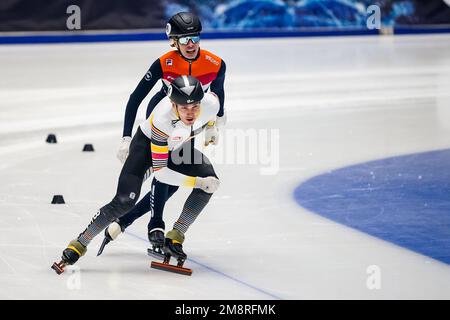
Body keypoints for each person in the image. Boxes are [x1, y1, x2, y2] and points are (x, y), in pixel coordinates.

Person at [52, 75, 222, 274]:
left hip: (178, 147)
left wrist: (211, 127)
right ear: (173, 104)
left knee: (213, 181)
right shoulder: (162, 118)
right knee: (124, 201)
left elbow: (213, 113)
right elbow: (162, 176)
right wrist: (197, 182)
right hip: (146, 149)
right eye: (184, 107)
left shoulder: (211, 104)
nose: (190, 112)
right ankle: (80, 243)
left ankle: (176, 235)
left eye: (195, 106)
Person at [108, 11, 226, 250]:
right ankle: (155, 224)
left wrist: (214, 125)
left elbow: (218, 96)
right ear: (174, 42)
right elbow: (135, 99)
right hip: (162, 117)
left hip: (190, 119)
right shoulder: (165, 63)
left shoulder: (216, 63)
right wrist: (126, 137)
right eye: (184, 40)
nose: (191, 44)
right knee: (164, 172)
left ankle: (132, 221)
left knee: (173, 178)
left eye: (195, 38)